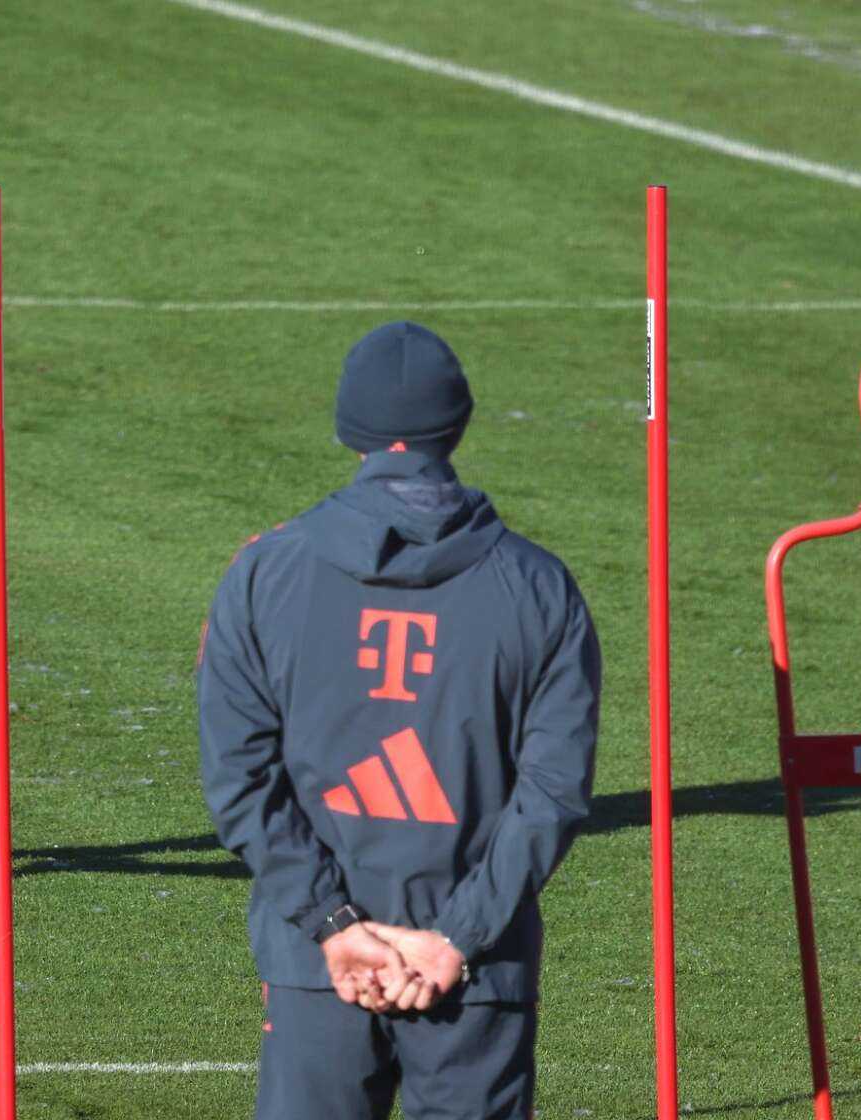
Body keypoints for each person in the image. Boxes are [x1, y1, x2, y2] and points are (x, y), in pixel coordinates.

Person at [196, 321, 599, 1118]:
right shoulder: (541, 588)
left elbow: (239, 777)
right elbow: (552, 795)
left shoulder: (263, 573)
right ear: (460, 424)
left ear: (350, 429)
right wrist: (457, 938)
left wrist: (335, 926)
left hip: (319, 966)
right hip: (478, 974)